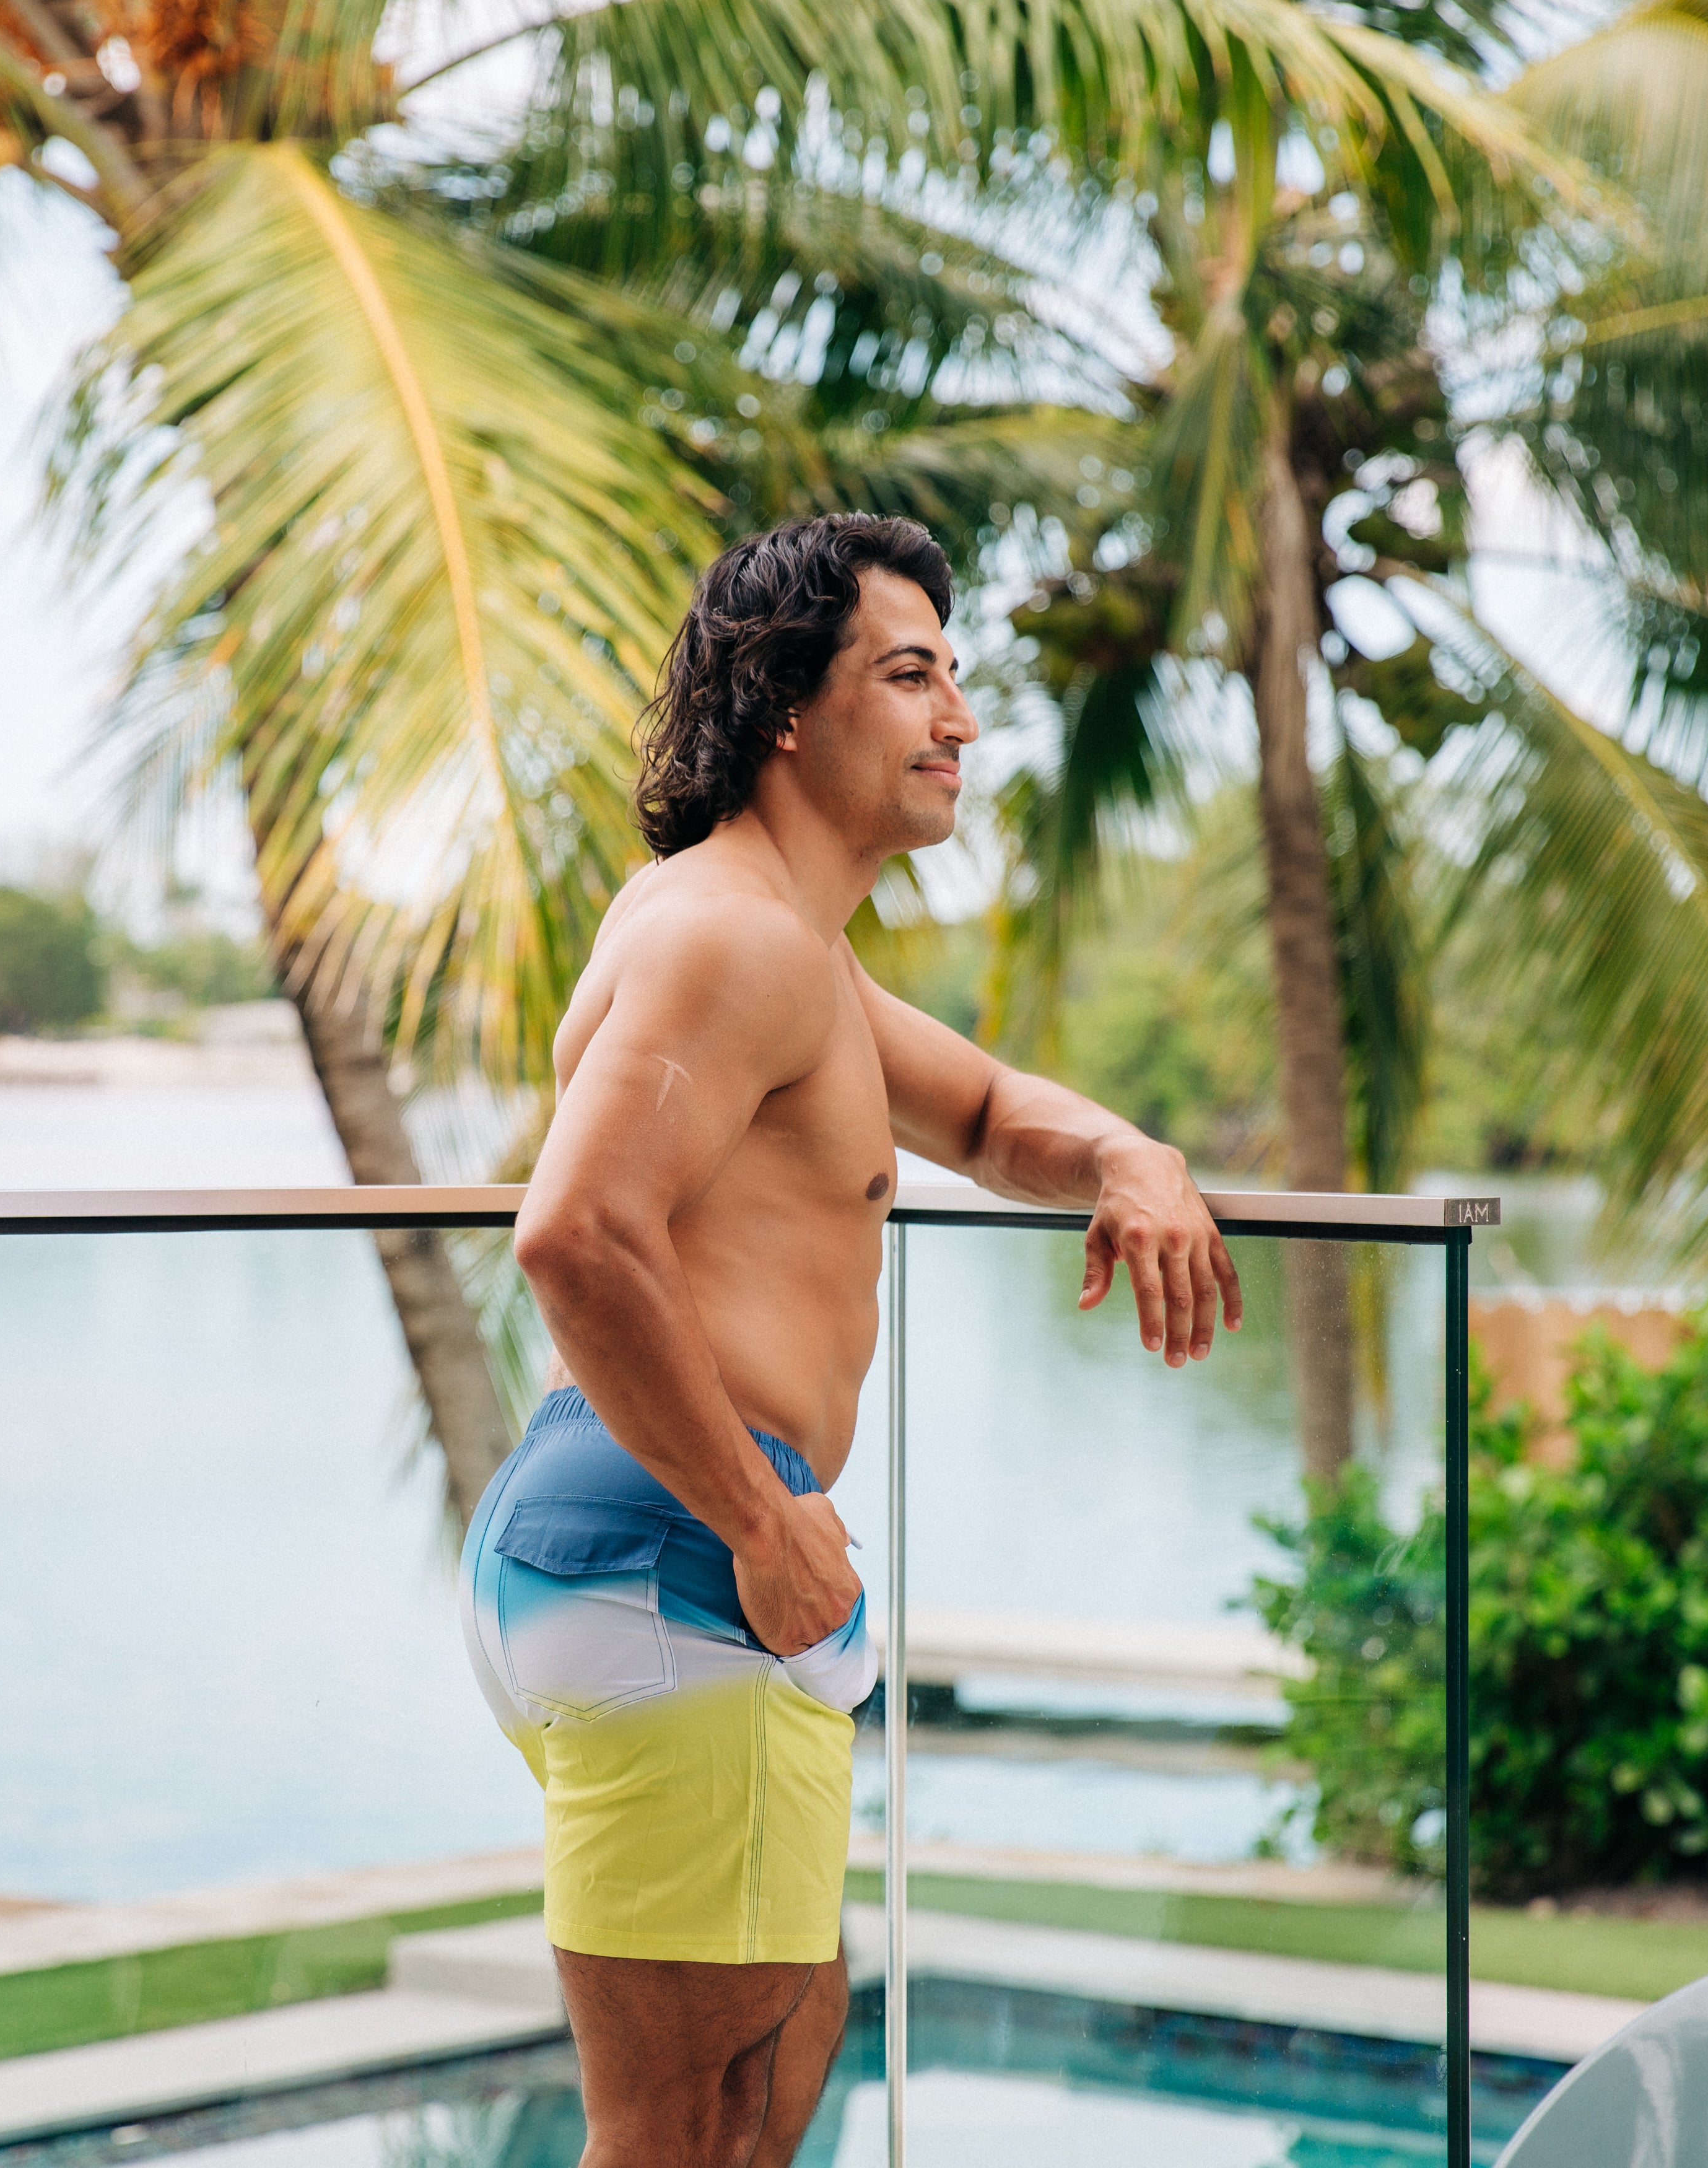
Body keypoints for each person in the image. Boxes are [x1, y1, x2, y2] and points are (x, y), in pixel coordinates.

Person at [460, 512, 1242, 2167]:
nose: (960, 718)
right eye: (908, 676)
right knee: (679, 2133)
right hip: (683, 1553)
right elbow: (574, 1232)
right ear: (784, 708)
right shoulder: (732, 938)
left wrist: (1134, 1158)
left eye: (954, 676)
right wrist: (761, 1519)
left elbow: (987, 1112)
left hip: (652, 1548)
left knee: (772, 2069)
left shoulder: (777, 941)